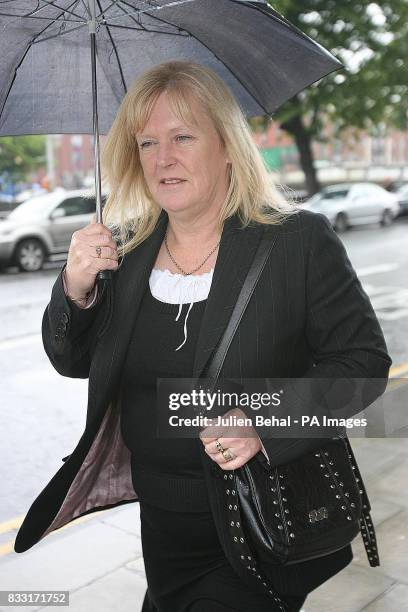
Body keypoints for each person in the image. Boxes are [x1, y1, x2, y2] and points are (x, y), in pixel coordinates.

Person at [14, 61, 392, 612]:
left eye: (182, 136)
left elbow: (363, 366)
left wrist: (262, 422)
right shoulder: (123, 250)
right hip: (162, 526)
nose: (162, 158)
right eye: (146, 143)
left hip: (256, 518)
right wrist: (76, 289)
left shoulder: (296, 241)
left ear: (227, 145)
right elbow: (71, 359)